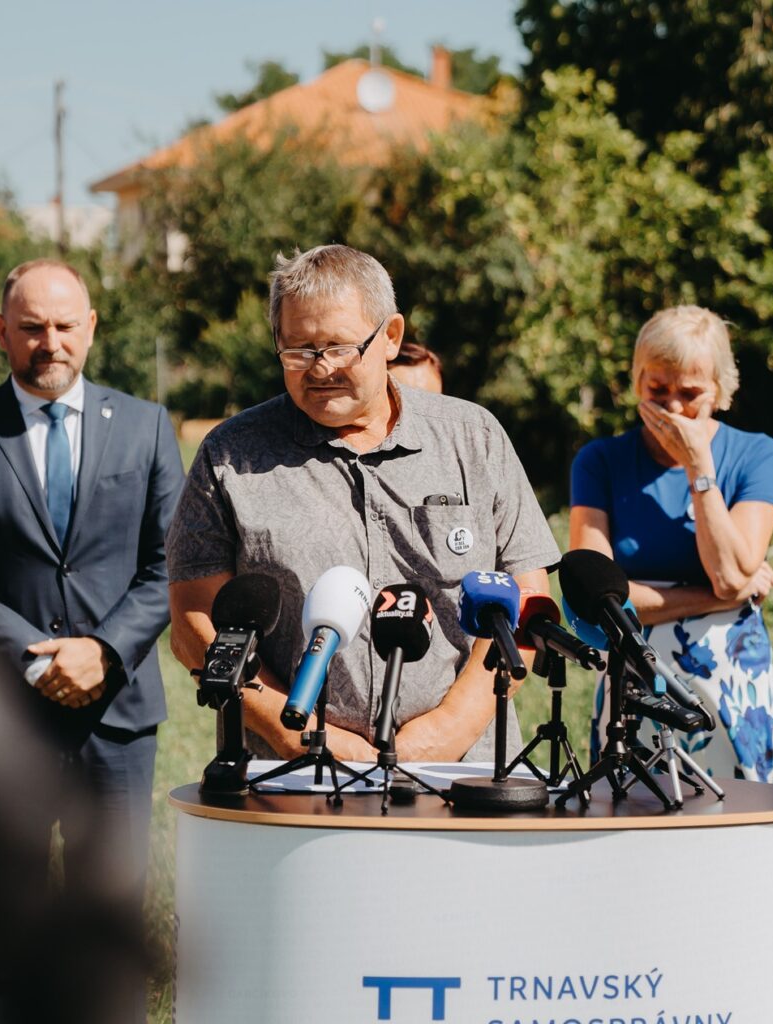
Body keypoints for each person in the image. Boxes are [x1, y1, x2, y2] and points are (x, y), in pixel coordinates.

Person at [167, 244, 559, 763]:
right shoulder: (228, 457)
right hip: (289, 775)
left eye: (338, 346)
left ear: (390, 337)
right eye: (299, 350)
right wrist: (292, 731)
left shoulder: (474, 437)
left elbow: (527, 600)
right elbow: (195, 626)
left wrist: (450, 728)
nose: (320, 368)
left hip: (461, 772)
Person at [0, 259, 184, 1018]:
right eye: (32, 326)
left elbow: (171, 559)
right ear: (1, 330)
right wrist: (31, 657)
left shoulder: (145, 426)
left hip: (118, 713)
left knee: (112, 911)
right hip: (9, 717)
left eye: (65, 325)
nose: (50, 342)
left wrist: (102, 652)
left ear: (92, 328)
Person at [570, 305, 773, 783]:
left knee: (739, 818)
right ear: (637, 380)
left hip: (731, 681)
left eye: (689, 394)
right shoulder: (600, 461)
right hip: (636, 677)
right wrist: (717, 597)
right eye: (657, 389)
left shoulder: (756, 454)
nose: (671, 407)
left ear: (721, 391)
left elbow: (729, 570)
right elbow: (594, 602)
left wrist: (698, 469)